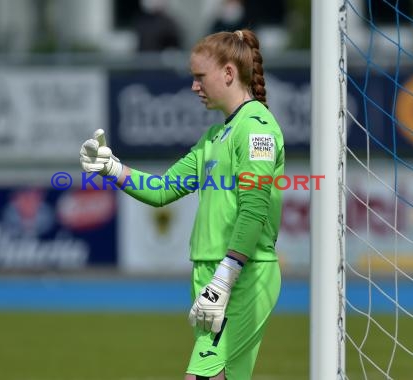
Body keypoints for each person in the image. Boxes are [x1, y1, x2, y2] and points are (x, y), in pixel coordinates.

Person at [80, 29, 285, 379]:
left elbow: (254, 209)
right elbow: (163, 190)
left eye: (199, 77)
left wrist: (225, 277)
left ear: (228, 73)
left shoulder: (256, 129)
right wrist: (111, 167)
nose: (194, 87)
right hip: (213, 276)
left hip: (241, 277)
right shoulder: (215, 136)